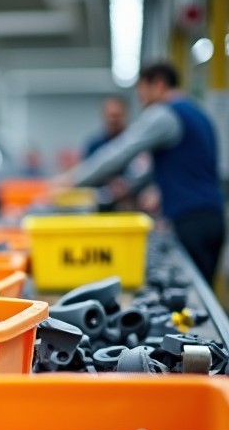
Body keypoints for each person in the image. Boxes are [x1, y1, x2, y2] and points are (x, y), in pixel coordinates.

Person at [54, 61, 225, 284]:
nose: (141, 99)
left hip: (189, 219)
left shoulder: (164, 114)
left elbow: (121, 150)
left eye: (142, 91)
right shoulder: (198, 113)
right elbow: (176, 165)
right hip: (214, 217)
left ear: (158, 84)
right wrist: (130, 186)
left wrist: (69, 180)